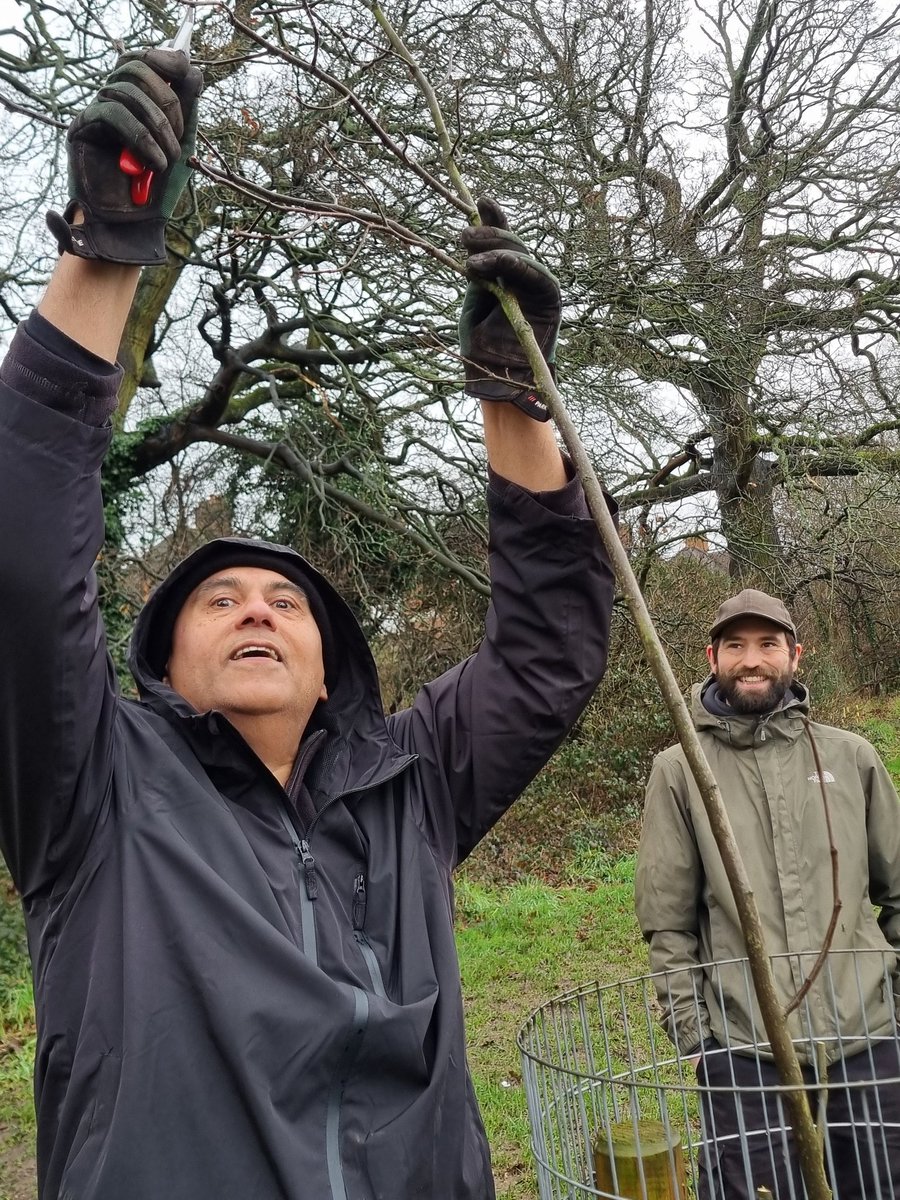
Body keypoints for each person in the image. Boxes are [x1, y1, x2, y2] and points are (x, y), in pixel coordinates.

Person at [0, 48, 615, 1200]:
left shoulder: (411, 783)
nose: (256, 612)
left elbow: (545, 657)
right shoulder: (93, 786)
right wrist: (105, 253)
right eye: (218, 600)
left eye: (288, 602)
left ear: (331, 659)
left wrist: (516, 404)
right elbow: (26, 572)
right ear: (163, 661)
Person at [636, 589, 900, 1199]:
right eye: (735, 646)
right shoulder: (679, 771)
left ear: (795, 656)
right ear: (712, 657)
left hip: (867, 1045)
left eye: (767, 644)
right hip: (744, 1052)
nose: (751, 660)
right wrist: (699, 1045)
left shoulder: (850, 758)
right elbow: (667, 924)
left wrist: (893, 1013)